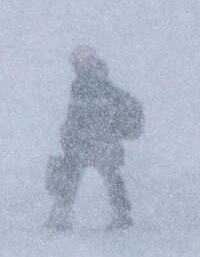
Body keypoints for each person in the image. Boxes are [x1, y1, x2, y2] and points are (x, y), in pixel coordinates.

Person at [45, 45, 143, 231]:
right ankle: (121, 215)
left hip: (92, 144)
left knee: (72, 177)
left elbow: (85, 116)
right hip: (101, 144)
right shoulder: (94, 84)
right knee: (111, 179)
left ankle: (61, 217)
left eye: (77, 62)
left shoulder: (89, 85)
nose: (74, 66)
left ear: (86, 63)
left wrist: (74, 133)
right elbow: (79, 116)